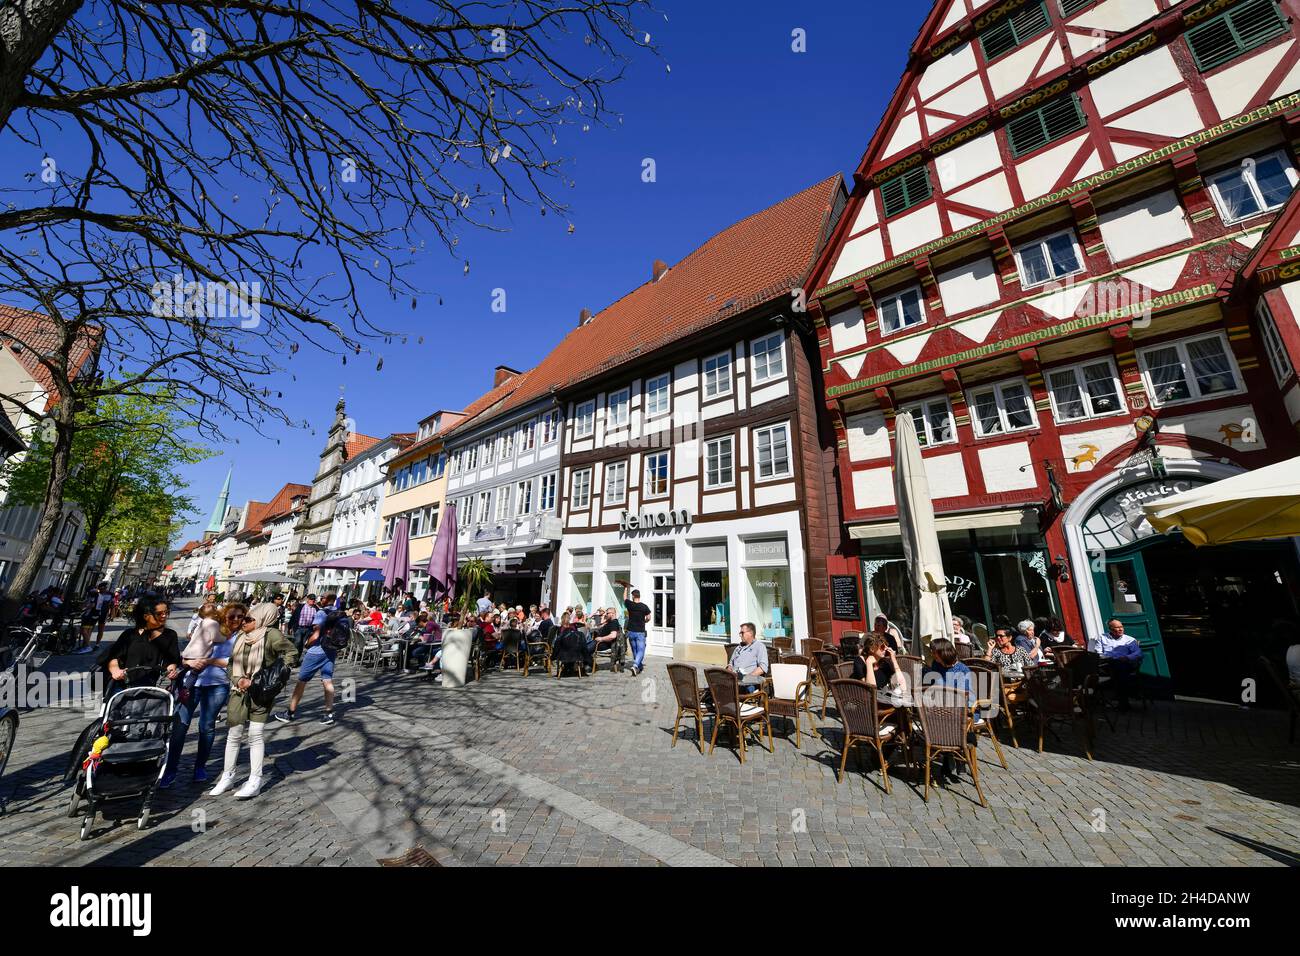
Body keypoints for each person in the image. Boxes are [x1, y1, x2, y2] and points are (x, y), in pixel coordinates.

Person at [208, 602, 299, 799]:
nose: (243, 622)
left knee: (255, 735)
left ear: (262, 619)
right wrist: (237, 679)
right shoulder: (242, 636)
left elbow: (291, 652)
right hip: (238, 691)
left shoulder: (271, 635)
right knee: (234, 734)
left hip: (260, 692)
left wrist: (275, 676)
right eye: (244, 618)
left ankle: (255, 779)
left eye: (249, 619)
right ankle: (227, 775)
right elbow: (232, 663)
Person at [161, 603, 239, 787]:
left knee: (207, 726)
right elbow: (186, 655)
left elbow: (235, 662)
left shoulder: (240, 637)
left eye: (240, 617)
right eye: (232, 616)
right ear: (224, 616)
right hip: (192, 682)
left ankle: (200, 767)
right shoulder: (211, 627)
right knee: (180, 726)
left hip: (217, 685)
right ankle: (170, 769)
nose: (236, 619)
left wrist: (211, 660)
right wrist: (190, 661)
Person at [274, 592, 348, 725]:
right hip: (331, 650)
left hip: (317, 651)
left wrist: (307, 644)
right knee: (327, 680)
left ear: (330, 599)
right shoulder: (339, 613)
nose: (321, 599)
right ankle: (328, 713)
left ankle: (290, 713)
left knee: (301, 681)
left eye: (323, 597)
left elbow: (316, 634)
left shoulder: (321, 613)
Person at [921, 637, 975, 782]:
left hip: (962, 709)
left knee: (939, 721)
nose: (932, 655)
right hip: (941, 707)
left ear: (942, 652)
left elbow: (965, 697)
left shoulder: (962, 670)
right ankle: (949, 756)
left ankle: (951, 755)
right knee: (923, 720)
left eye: (934, 652)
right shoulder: (937, 665)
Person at [100, 597, 181, 693]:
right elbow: (113, 656)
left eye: (166, 612)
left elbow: (172, 660)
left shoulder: (170, 635)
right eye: (159, 614)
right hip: (122, 685)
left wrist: (171, 671)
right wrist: (115, 671)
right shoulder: (130, 634)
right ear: (146, 616)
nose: (164, 616)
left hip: (150, 687)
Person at [1089, 618, 1144, 710]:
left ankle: (1122, 702)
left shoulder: (1129, 640)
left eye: (1121, 627)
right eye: (1117, 627)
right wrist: (1106, 657)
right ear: (1110, 629)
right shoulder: (1102, 638)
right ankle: (1125, 700)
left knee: (1120, 669)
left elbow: (1138, 653)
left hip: (1125, 664)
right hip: (1107, 664)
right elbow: (1098, 652)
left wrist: (1127, 657)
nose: (1121, 629)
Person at [727, 622, 769, 691]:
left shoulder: (759, 646)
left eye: (742, 633)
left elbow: (762, 668)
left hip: (746, 683)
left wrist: (746, 678)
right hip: (733, 680)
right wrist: (729, 669)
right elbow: (731, 663)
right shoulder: (738, 648)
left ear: (750, 633)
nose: (740, 635)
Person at [621, 584, 651, 677]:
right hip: (640, 632)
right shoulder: (644, 606)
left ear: (633, 596)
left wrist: (625, 587)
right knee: (641, 650)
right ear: (639, 596)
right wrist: (644, 621)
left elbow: (624, 598)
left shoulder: (630, 605)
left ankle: (639, 666)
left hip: (631, 632)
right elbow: (649, 617)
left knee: (635, 650)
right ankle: (635, 665)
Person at [587, 607, 625, 672]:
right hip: (598, 642)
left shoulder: (614, 623)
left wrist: (601, 638)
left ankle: (593, 666)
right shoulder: (610, 622)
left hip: (603, 644)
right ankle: (587, 665)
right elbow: (599, 626)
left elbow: (613, 636)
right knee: (583, 648)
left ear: (613, 614)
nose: (606, 615)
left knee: (585, 650)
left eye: (607, 613)